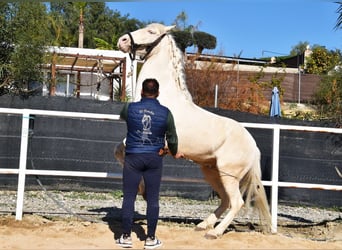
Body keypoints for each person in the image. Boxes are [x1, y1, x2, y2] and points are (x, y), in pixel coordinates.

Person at [116, 78, 183, 249]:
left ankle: (125, 237)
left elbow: (122, 117)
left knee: (129, 197)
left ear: (141, 92)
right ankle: (151, 238)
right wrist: (174, 152)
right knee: (153, 198)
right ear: (158, 93)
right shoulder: (166, 112)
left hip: (133, 157)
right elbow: (172, 137)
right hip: (154, 158)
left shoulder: (129, 108)